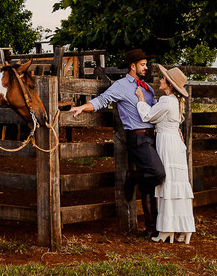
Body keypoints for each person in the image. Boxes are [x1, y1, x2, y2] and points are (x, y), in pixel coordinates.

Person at [69, 48, 165, 235]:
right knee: (158, 173)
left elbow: (155, 112)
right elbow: (102, 100)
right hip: (137, 138)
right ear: (132, 66)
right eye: (143, 64)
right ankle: (132, 177)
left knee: (150, 182)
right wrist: (83, 107)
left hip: (153, 136)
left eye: (146, 64)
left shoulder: (148, 88)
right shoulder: (121, 86)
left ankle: (151, 228)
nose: (146, 68)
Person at [136, 64, 195, 243]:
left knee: (167, 184)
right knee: (178, 186)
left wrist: (140, 99)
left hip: (167, 143)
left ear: (169, 84)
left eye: (163, 79)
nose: (160, 80)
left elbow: (148, 116)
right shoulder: (175, 102)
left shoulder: (166, 101)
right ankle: (185, 229)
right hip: (174, 143)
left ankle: (166, 230)